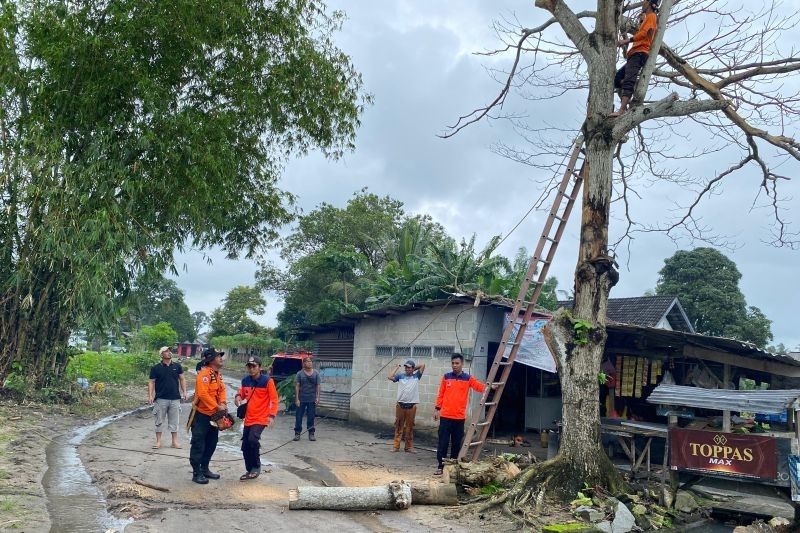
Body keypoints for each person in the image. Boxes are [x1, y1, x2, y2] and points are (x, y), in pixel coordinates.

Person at [433, 353, 486, 476]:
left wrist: (490, 387)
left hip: (459, 418)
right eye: (452, 363)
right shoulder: (446, 377)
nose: (454, 365)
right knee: (443, 443)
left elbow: (479, 387)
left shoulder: (468, 378)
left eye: (457, 363)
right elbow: (441, 394)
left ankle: (451, 467)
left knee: (457, 444)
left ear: (462, 364)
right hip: (445, 417)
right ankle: (441, 466)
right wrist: (437, 409)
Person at [611, 0, 659, 117]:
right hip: (634, 53)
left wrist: (626, 40)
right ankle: (633, 82)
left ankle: (621, 110)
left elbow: (644, 34)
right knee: (617, 79)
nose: (643, 4)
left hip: (639, 53)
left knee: (628, 81)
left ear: (649, 4)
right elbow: (644, 31)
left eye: (644, 2)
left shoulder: (652, 16)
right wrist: (641, 21)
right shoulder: (647, 17)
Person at [234, 356, 278, 481]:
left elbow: (274, 400)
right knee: (245, 445)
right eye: (249, 366)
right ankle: (250, 469)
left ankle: (257, 466)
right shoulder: (245, 380)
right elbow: (241, 393)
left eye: (254, 366)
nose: (251, 369)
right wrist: (237, 397)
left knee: (253, 440)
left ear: (260, 367)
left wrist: (271, 416)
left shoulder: (267, 381)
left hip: (262, 417)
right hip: (249, 418)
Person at [189, 347, 226, 484]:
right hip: (202, 415)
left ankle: (205, 469)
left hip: (214, 416)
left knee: (212, 443)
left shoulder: (217, 374)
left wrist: (222, 402)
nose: (221, 358)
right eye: (218, 356)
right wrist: (217, 406)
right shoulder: (204, 374)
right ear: (211, 360)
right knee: (199, 443)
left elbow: (222, 389)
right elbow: (203, 394)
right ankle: (196, 473)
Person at [147, 346, 187, 449]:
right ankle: (158, 442)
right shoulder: (156, 368)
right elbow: (151, 382)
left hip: (175, 398)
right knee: (159, 420)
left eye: (169, 351)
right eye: (166, 351)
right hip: (161, 398)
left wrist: (185, 392)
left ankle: (174, 442)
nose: (169, 353)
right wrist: (150, 395)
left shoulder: (177, 366)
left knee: (174, 421)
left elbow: (182, 379)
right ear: (161, 354)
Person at [387, 359, 426, 453]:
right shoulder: (400, 376)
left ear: (413, 368)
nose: (407, 369)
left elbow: (422, 365)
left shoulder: (417, 376)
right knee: (398, 426)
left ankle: (408, 447)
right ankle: (396, 446)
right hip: (400, 405)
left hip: (411, 407)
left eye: (409, 367)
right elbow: (389, 376)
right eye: (406, 367)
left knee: (410, 427)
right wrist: (397, 367)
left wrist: (413, 369)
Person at [293, 356, 321, 441]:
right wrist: (297, 399)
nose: (309, 363)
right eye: (307, 361)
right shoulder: (299, 373)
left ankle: (311, 433)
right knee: (298, 417)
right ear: (304, 363)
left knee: (311, 417)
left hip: (311, 399)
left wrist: (317, 397)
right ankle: (297, 433)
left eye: (310, 361)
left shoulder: (316, 373)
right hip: (301, 399)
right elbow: (297, 386)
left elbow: (318, 386)